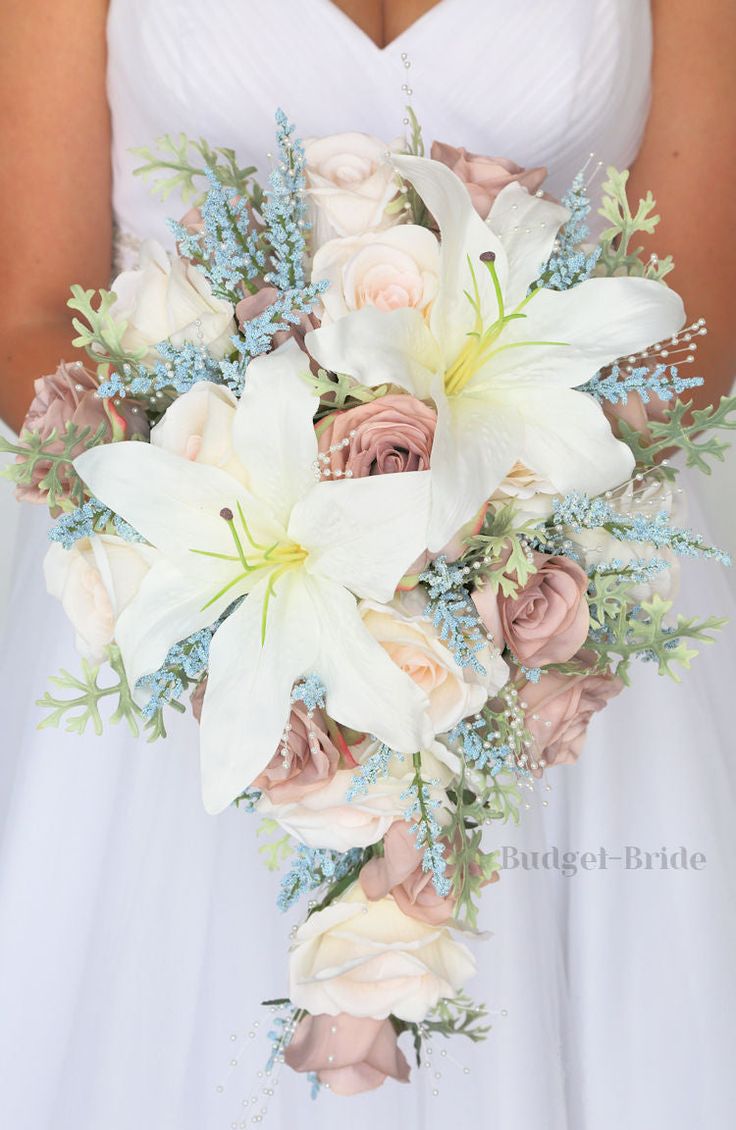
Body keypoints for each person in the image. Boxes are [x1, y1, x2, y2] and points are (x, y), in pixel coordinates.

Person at [0, 3, 734, 1128]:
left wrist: (465, 582)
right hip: (192, 583)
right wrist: (282, 558)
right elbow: (31, 314)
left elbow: (696, 320)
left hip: (553, 598)